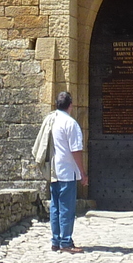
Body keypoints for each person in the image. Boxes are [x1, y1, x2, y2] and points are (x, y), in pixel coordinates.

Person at [44, 91, 86, 253]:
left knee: (55, 207)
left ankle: (55, 240)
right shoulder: (70, 123)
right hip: (67, 171)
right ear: (70, 105)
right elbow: (76, 150)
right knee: (67, 208)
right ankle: (66, 242)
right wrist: (82, 172)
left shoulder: (51, 120)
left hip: (54, 169)